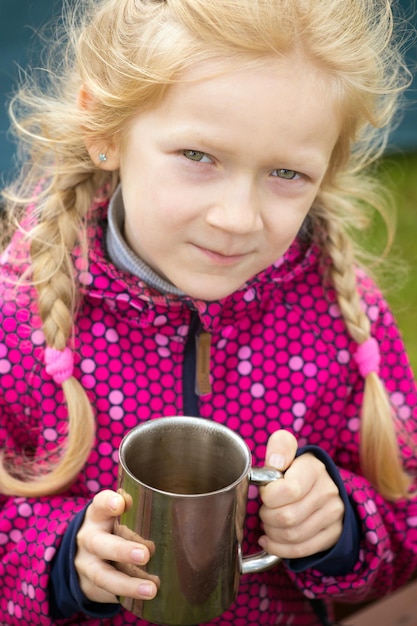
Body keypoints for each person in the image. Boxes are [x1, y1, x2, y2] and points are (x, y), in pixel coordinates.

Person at [0, 0, 416, 624]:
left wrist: (340, 526)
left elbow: (404, 523)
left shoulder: (337, 316)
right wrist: (65, 564)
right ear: (105, 130)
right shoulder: (19, 319)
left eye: (285, 172)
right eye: (199, 157)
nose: (237, 218)